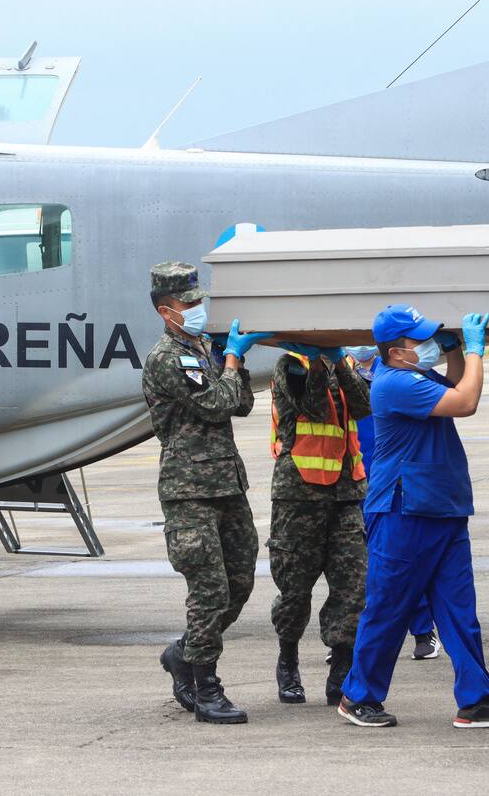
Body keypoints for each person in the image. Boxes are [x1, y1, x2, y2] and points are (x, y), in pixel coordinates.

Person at [339, 305, 489, 730]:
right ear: (397, 350)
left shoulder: (414, 375)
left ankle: (475, 701)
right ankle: (359, 696)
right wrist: (476, 349)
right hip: (404, 510)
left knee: (459, 609)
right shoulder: (396, 383)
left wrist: (456, 349)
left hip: (441, 508)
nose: (427, 345)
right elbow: (466, 400)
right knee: (389, 606)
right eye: (418, 340)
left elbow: (456, 381)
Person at [142, 262, 269, 724]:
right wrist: (231, 361)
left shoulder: (200, 348)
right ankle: (205, 684)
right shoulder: (167, 357)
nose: (198, 309)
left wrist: (227, 358)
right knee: (210, 588)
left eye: (200, 301)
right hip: (188, 489)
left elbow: (245, 402)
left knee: (240, 581)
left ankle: (183, 654)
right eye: (188, 304)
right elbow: (218, 404)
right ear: (165, 310)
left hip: (226, 485)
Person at [268, 343, 369, 706]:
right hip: (299, 495)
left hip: (345, 494)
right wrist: (318, 362)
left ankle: (341, 667)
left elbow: (363, 405)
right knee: (295, 589)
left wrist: (340, 360)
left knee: (352, 587)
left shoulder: (345, 364)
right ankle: (288, 660)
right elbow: (314, 406)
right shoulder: (289, 366)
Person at [347, 344, 439, 661]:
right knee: (358, 564)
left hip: (391, 479)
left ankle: (423, 631)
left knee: (403, 558)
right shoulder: (341, 373)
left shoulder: (395, 374)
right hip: (352, 478)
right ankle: (352, 635)